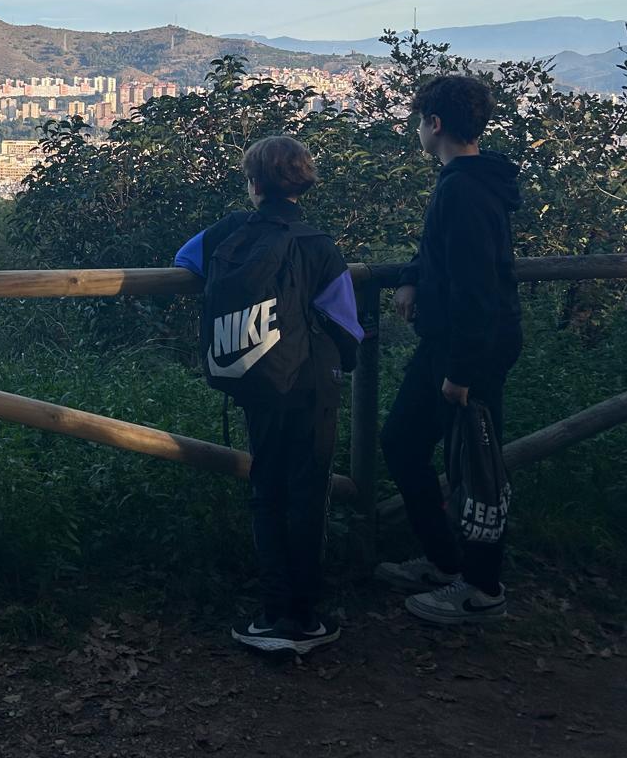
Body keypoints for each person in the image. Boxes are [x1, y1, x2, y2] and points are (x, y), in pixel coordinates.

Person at [175, 135, 363, 654]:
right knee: (308, 494)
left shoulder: (229, 232)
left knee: (268, 490)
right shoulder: (319, 244)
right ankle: (304, 618)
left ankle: (272, 613)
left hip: (258, 378)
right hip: (310, 384)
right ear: (303, 183)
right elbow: (347, 325)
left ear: (254, 184)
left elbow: (184, 259)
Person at [377, 74, 522, 624]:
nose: (417, 130)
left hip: (469, 348)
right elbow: (442, 251)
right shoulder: (471, 180)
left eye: (419, 121)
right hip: (457, 341)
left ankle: (481, 589)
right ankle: (445, 562)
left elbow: (475, 287)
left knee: (476, 464)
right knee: (408, 444)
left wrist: (461, 371)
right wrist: (412, 276)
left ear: (434, 124)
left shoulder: (462, 189)